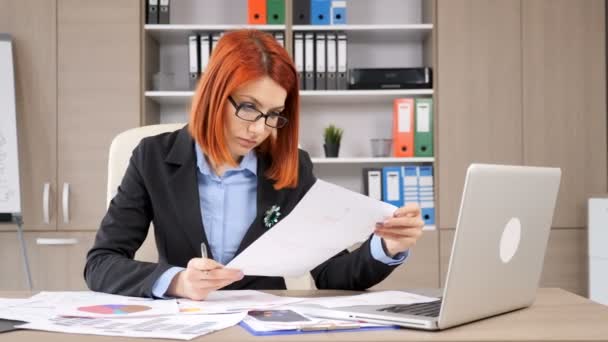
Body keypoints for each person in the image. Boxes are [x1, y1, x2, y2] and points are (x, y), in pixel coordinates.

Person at [84, 30, 424, 300]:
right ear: (214, 95)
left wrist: (386, 247)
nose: (260, 129)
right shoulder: (152, 158)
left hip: (263, 324)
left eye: (274, 114)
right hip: (185, 323)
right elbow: (101, 264)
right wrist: (178, 282)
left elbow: (329, 273)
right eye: (248, 107)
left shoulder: (292, 167)